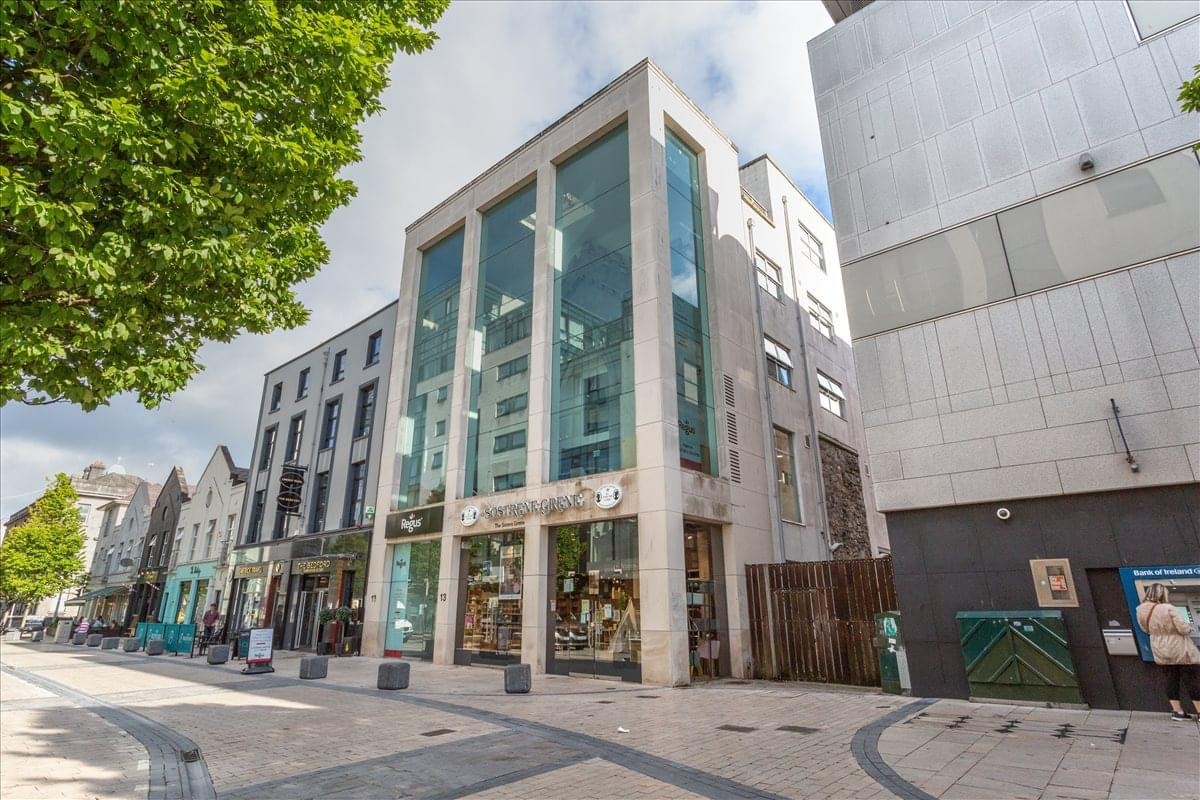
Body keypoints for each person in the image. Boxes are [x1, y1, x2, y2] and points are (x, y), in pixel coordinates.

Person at [1136, 583, 1200, 722]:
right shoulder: (1168, 608)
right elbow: (1183, 629)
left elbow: (1145, 629)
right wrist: (1190, 628)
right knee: (1192, 680)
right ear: (1162, 594)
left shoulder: (1140, 610)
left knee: (1171, 680)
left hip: (1160, 648)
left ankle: (1177, 712)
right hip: (1180, 648)